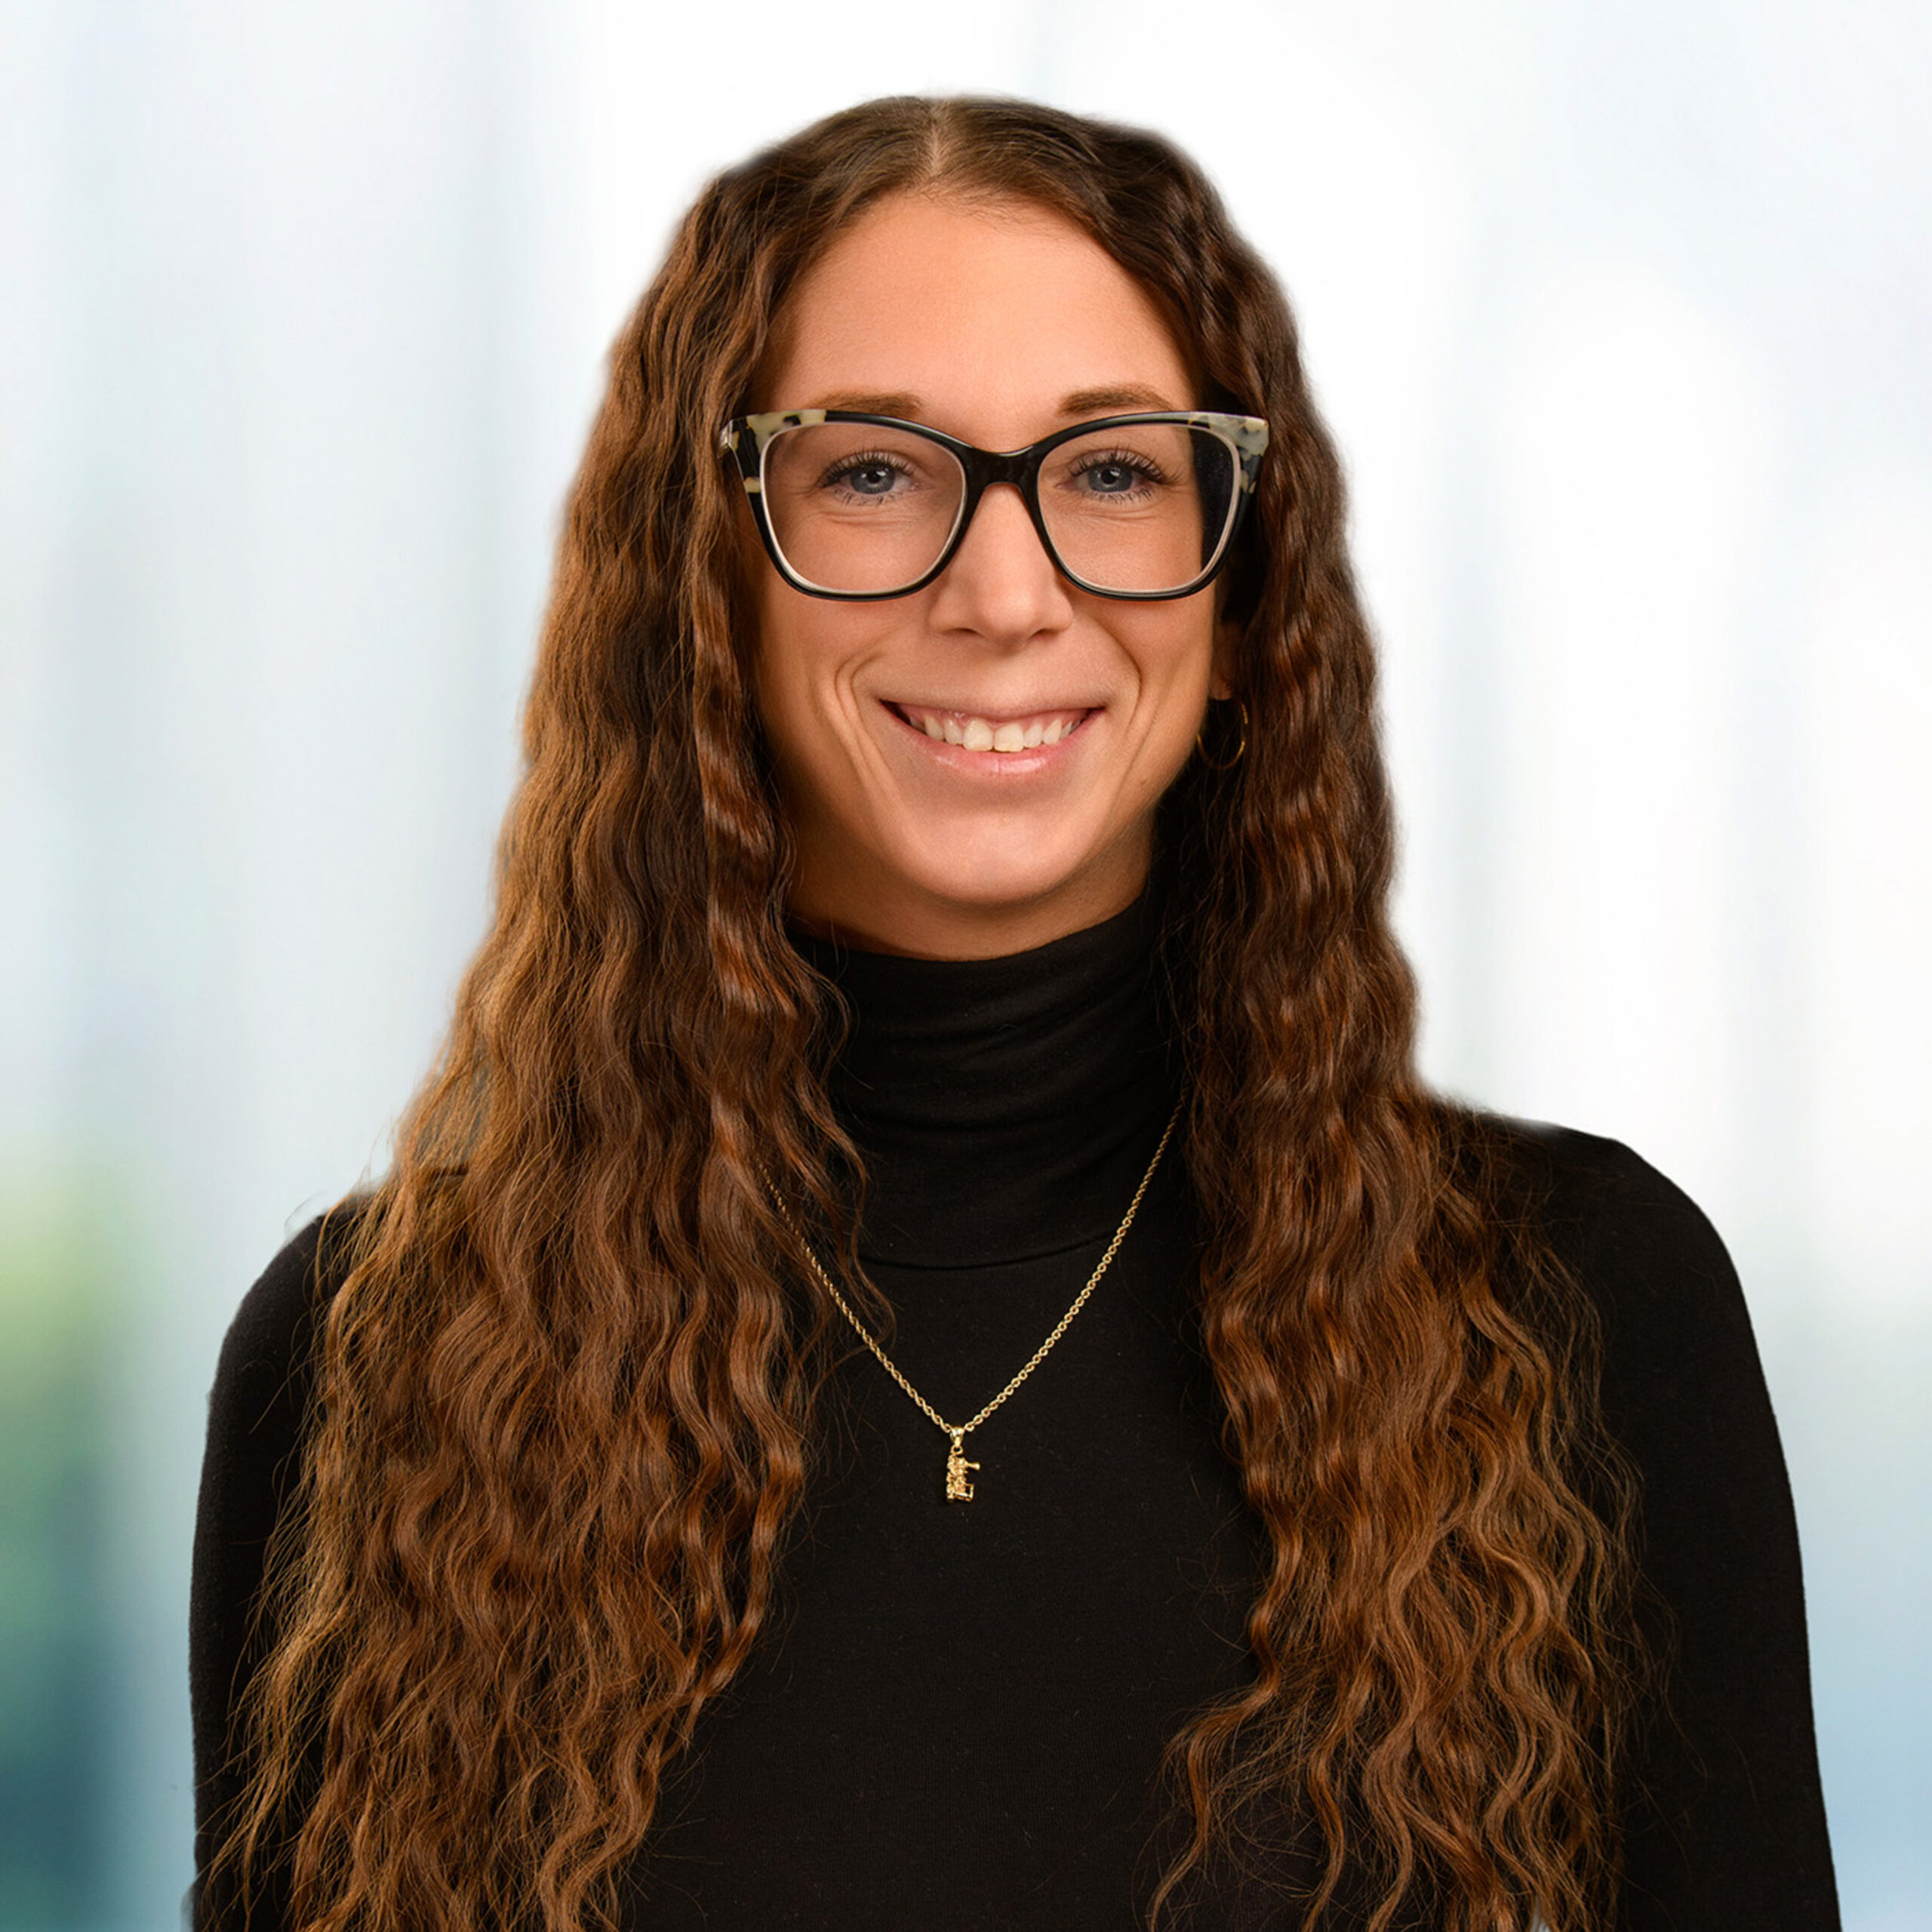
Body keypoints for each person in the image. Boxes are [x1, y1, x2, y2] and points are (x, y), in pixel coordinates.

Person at [190, 96, 1838, 1932]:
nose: (1001, 591)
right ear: (706, 574)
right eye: (874, 470)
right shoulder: (374, 1360)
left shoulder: (1581, 1306)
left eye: (1113, 472)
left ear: (1239, 581)